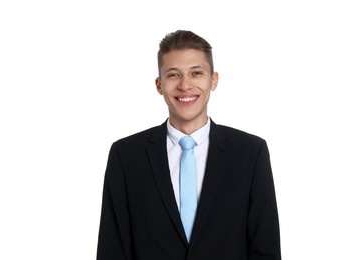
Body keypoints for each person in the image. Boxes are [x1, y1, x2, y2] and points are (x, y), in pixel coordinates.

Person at [96, 30, 281, 259]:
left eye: (196, 73)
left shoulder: (251, 152)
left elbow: (266, 250)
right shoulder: (126, 156)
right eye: (173, 75)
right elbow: (112, 250)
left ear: (213, 80)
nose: (185, 85)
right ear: (159, 84)